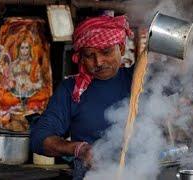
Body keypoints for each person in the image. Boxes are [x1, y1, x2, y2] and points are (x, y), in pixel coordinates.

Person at [30, 15, 133, 179]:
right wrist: (78, 149)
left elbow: (182, 77)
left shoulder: (139, 79)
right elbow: (39, 138)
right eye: (89, 55)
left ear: (121, 48)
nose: (98, 62)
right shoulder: (71, 90)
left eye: (106, 52)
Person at [0, 35, 52, 131]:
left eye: (26, 48)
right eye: (22, 48)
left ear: (30, 49)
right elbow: (6, 83)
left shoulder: (36, 65)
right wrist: (10, 84)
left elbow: (41, 84)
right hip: (15, 97)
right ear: (18, 49)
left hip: (31, 97)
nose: (24, 51)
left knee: (44, 95)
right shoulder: (13, 65)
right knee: (2, 96)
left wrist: (32, 86)